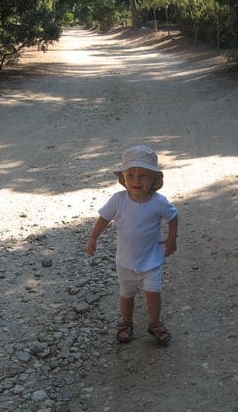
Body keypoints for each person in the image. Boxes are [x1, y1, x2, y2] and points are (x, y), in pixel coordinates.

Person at [85, 145, 179, 345]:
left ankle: (154, 324)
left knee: (153, 294)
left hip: (152, 260)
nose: (136, 180)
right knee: (126, 295)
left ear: (154, 179)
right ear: (123, 179)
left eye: (143, 175)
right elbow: (103, 218)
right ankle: (125, 323)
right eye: (131, 175)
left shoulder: (159, 202)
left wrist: (172, 239)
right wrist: (93, 237)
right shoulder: (118, 200)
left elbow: (173, 216)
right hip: (126, 262)